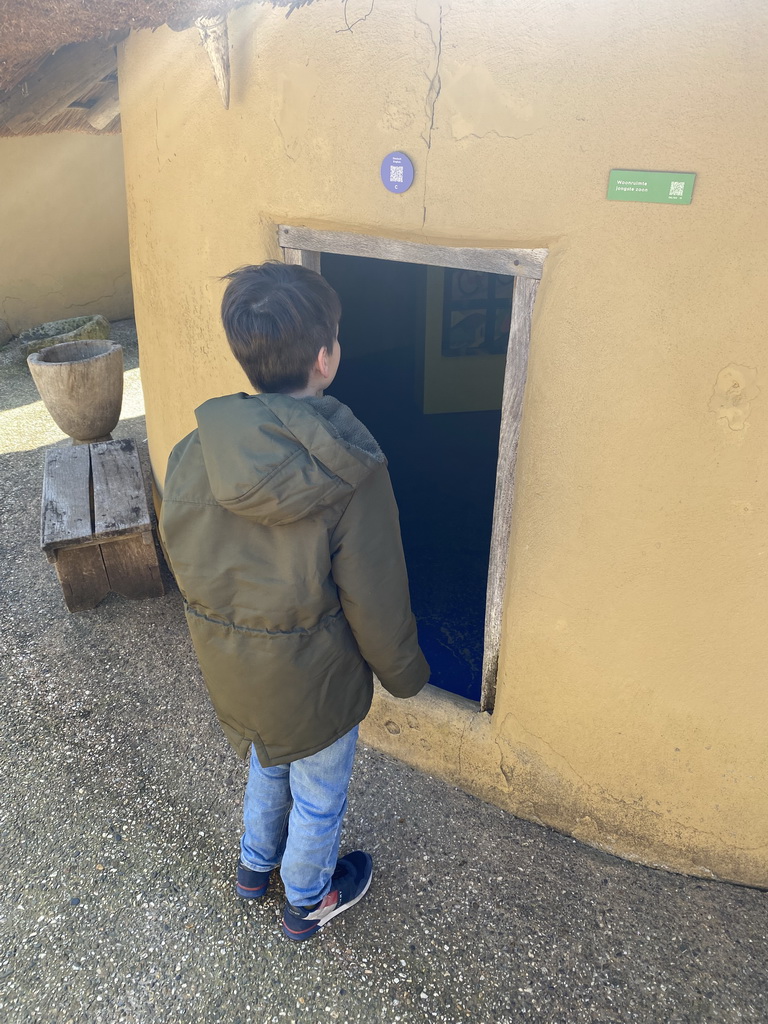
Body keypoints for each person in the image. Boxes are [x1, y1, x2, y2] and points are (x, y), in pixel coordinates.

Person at [159, 261, 429, 941]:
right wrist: (404, 673)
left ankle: (254, 868)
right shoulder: (351, 470)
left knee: (267, 756)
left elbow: (189, 559)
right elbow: (374, 595)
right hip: (317, 679)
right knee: (318, 792)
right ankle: (308, 898)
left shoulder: (194, 452)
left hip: (237, 670)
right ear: (326, 356)